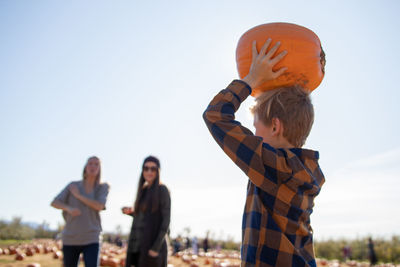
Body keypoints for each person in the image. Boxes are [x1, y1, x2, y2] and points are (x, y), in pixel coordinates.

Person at [203, 38, 325, 266]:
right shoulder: (307, 171)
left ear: (276, 126)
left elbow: (215, 115)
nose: (253, 133)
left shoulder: (273, 165)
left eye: (256, 126)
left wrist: (250, 79)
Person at [51, 156, 109, 267]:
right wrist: (69, 208)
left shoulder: (103, 187)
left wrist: (78, 195)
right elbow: (54, 202)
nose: (93, 166)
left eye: (96, 164)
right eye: (90, 163)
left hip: (91, 237)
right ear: (85, 167)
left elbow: (99, 206)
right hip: (70, 237)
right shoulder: (72, 185)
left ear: (100, 169)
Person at [122, 156, 171, 267]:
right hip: (138, 245)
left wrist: (155, 248)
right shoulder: (143, 190)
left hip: (153, 247)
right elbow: (144, 217)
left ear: (158, 171)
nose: (149, 171)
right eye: (146, 168)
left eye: (153, 169)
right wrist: (131, 212)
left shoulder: (162, 190)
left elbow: (166, 220)